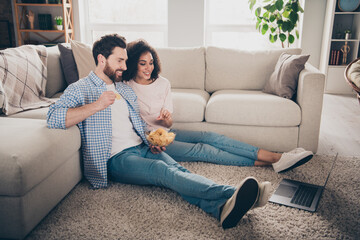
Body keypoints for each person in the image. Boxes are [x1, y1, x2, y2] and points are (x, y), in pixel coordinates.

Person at [47, 34, 269, 229]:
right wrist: (96, 105)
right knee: (165, 172)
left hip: (143, 146)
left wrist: (151, 139)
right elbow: (53, 117)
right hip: (116, 159)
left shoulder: (123, 88)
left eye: (125, 60)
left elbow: (136, 124)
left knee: (180, 172)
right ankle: (232, 193)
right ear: (101, 59)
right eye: (120, 60)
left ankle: (220, 210)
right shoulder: (81, 88)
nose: (125, 66)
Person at [122, 39, 314, 174]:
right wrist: (148, 140)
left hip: (166, 132)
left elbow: (169, 121)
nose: (148, 68)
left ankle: (275, 157)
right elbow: (126, 123)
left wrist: (166, 119)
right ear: (133, 64)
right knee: (202, 150)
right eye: (142, 64)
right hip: (152, 144)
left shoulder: (163, 83)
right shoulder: (126, 88)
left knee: (211, 137)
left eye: (151, 63)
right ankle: (273, 160)